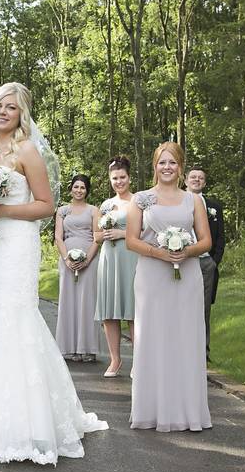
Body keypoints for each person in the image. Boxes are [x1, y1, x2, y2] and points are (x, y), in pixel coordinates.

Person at [0, 82, 108, 465]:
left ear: (22, 115)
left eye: (12, 108)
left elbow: (45, 205)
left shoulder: (26, 150)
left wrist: (2, 211)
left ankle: (28, 421)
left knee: (15, 315)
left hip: (16, 242)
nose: (3, 112)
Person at [126, 142, 212, 432]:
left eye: (172, 163)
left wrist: (186, 251)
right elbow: (131, 239)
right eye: (162, 162)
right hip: (151, 275)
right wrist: (159, 253)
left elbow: (205, 241)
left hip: (187, 275)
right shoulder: (141, 198)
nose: (167, 167)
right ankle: (151, 409)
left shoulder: (193, 201)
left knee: (186, 337)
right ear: (154, 166)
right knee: (153, 336)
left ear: (181, 167)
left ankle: (187, 410)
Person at [94, 157, 138, 378]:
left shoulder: (138, 202)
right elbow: (96, 236)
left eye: (122, 177)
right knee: (109, 312)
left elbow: (145, 233)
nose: (119, 181)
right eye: (115, 178)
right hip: (109, 259)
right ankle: (115, 359)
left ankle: (138, 361)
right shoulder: (106, 205)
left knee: (132, 311)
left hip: (130, 258)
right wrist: (104, 234)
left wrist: (122, 233)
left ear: (129, 178)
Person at [54, 175, 100, 362]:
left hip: (89, 260)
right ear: (71, 189)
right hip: (67, 261)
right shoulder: (62, 211)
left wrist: (87, 259)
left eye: (83, 187)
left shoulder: (93, 210)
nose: (79, 190)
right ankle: (68, 347)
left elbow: (98, 236)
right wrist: (66, 259)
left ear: (87, 190)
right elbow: (58, 237)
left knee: (87, 302)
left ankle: (87, 348)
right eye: (76, 187)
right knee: (68, 301)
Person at [184, 166, 225, 361]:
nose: (197, 180)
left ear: (205, 182)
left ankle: (203, 351)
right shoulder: (177, 202)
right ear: (185, 180)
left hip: (206, 263)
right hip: (181, 262)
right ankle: (181, 348)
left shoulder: (214, 206)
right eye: (193, 177)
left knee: (204, 307)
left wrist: (214, 261)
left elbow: (221, 237)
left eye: (201, 178)